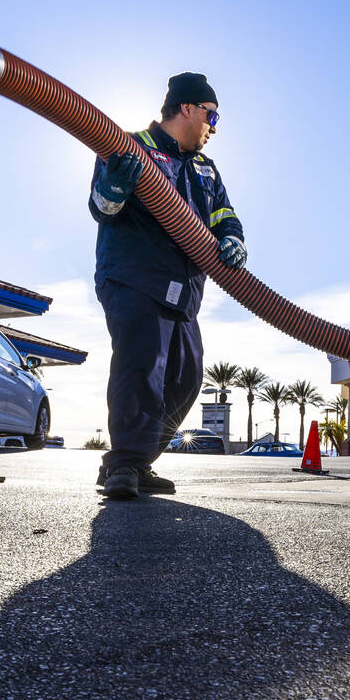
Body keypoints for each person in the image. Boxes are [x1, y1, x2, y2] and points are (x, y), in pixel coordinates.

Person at [88, 72, 247, 499]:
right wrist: (114, 187)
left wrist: (233, 240)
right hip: (135, 278)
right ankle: (123, 463)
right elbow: (102, 207)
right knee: (141, 364)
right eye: (212, 115)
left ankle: (139, 462)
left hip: (186, 291)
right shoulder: (129, 146)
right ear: (189, 108)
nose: (214, 127)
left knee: (186, 377)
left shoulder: (206, 171)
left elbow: (225, 216)